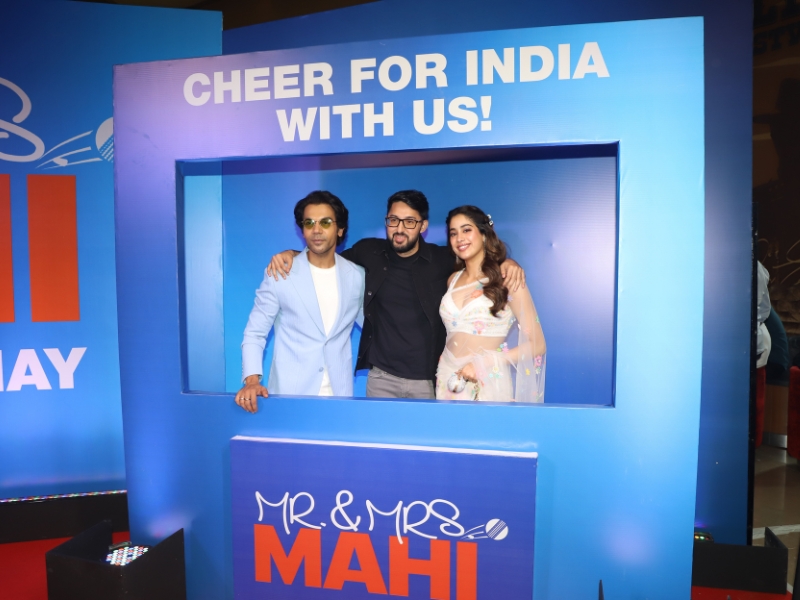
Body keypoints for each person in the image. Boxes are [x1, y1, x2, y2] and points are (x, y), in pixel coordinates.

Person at [267, 190, 525, 399]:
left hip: (430, 380)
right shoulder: (368, 251)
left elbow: (476, 261)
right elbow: (326, 261)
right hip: (381, 379)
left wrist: (507, 263)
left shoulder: (443, 259)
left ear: (423, 226)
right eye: (393, 220)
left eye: (409, 221)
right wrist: (292, 254)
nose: (400, 228)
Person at [235, 191, 365, 413]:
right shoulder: (280, 272)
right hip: (290, 397)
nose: (316, 229)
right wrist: (252, 381)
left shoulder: (357, 276)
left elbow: (375, 328)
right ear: (302, 229)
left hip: (340, 399)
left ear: (340, 229)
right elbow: (255, 333)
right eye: (309, 223)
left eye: (325, 222)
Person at [436, 205, 546, 402]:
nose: (459, 238)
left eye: (466, 230)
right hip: (447, 378)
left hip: (486, 381)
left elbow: (537, 344)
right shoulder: (452, 279)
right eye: (453, 233)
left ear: (484, 234)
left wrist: (484, 363)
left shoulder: (508, 280)